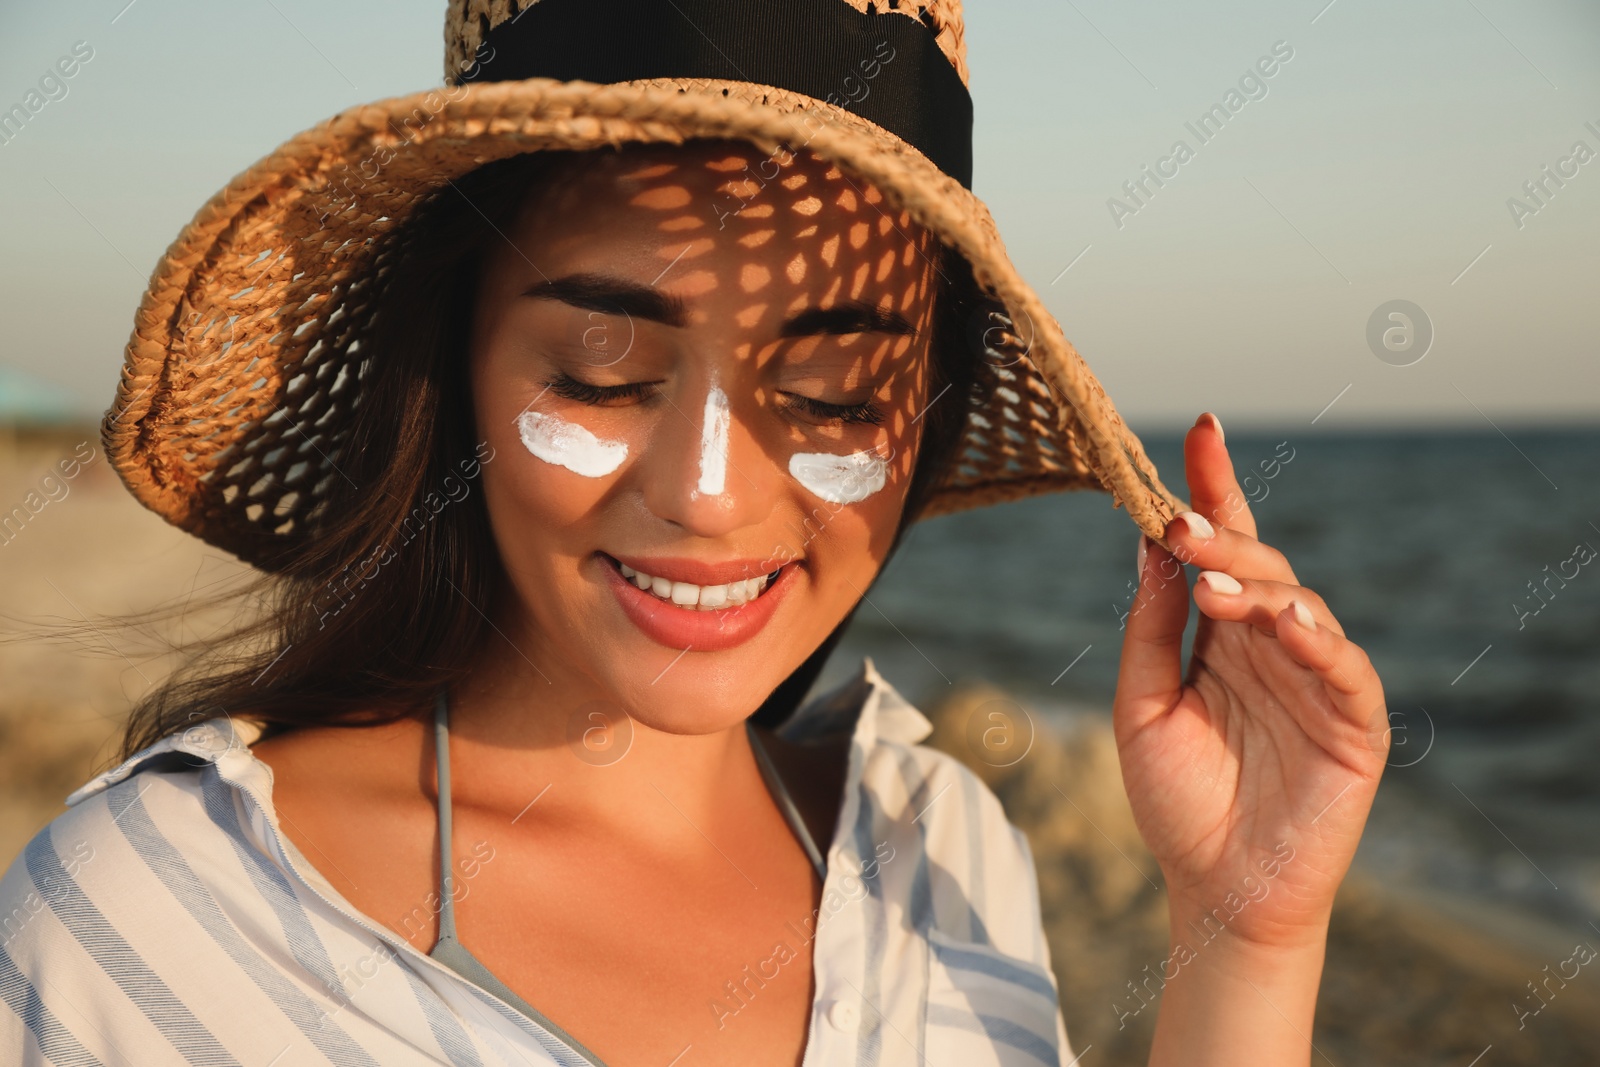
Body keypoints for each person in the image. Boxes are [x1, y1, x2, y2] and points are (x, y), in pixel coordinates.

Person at [0, 2, 1389, 1064]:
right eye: (600, 371)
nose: (712, 494)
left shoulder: (944, 854)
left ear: (930, 409)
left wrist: (1246, 934)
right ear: (456, 364)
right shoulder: (154, 916)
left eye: (837, 390)